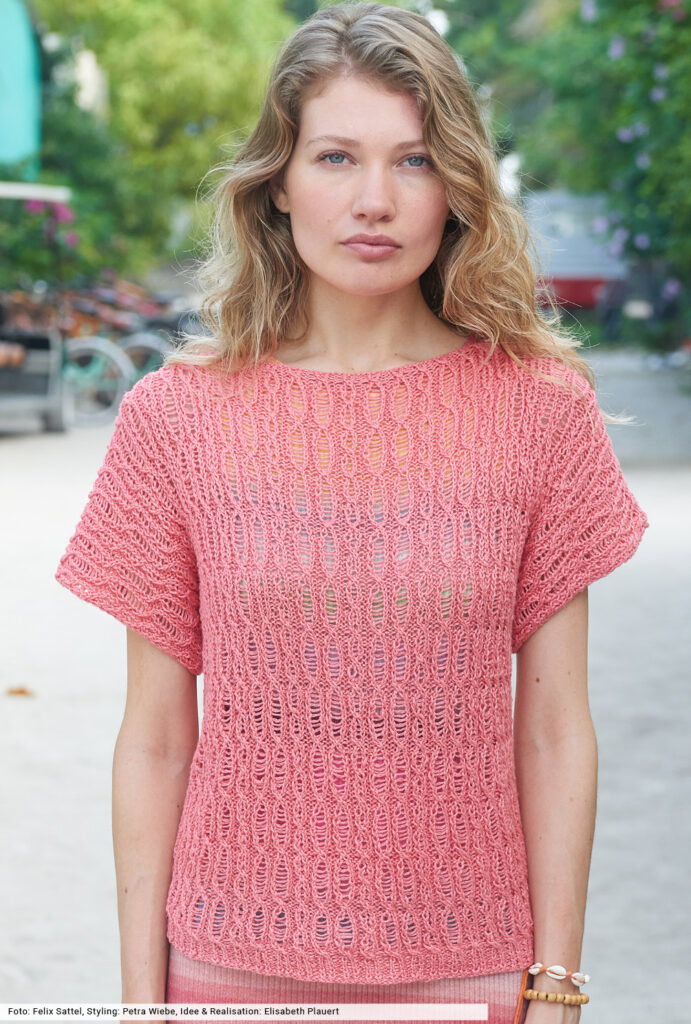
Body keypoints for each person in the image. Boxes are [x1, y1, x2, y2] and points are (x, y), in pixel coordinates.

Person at [54, 4, 649, 1022]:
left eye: (413, 161)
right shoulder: (176, 418)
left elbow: (554, 729)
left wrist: (556, 986)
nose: (375, 200)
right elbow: (153, 739)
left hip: (473, 968)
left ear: (456, 186)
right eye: (335, 157)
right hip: (226, 970)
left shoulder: (540, 412)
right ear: (277, 182)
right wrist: (140, 1004)